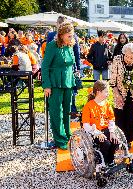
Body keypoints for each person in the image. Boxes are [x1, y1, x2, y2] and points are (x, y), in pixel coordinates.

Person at [41, 22, 76, 150]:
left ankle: (67, 134)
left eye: (72, 36)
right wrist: (47, 85)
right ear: (61, 35)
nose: (71, 38)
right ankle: (59, 139)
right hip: (55, 83)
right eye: (69, 36)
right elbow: (45, 66)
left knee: (67, 111)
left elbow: (70, 64)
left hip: (68, 82)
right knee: (56, 112)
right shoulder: (52, 46)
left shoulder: (70, 45)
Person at [109, 43, 133, 148]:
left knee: (131, 116)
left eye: (132, 58)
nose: (129, 59)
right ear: (124, 53)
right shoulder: (117, 59)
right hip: (120, 92)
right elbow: (113, 80)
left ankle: (128, 140)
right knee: (120, 116)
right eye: (127, 56)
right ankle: (118, 140)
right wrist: (117, 94)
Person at [47, 15, 81, 118]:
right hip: (58, 68)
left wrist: (77, 68)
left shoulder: (72, 36)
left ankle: (71, 111)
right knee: (61, 94)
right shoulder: (52, 36)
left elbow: (76, 52)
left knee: (70, 91)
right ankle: (64, 113)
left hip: (69, 66)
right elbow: (49, 52)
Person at [82, 80, 119, 165]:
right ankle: (101, 162)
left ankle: (110, 161)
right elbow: (86, 125)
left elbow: (111, 119)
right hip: (93, 132)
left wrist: (112, 132)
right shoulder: (88, 106)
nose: (108, 94)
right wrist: (97, 133)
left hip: (106, 129)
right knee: (106, 144)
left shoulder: (107, 104)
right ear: (98, 92)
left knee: (115, 141)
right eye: (106, 92)